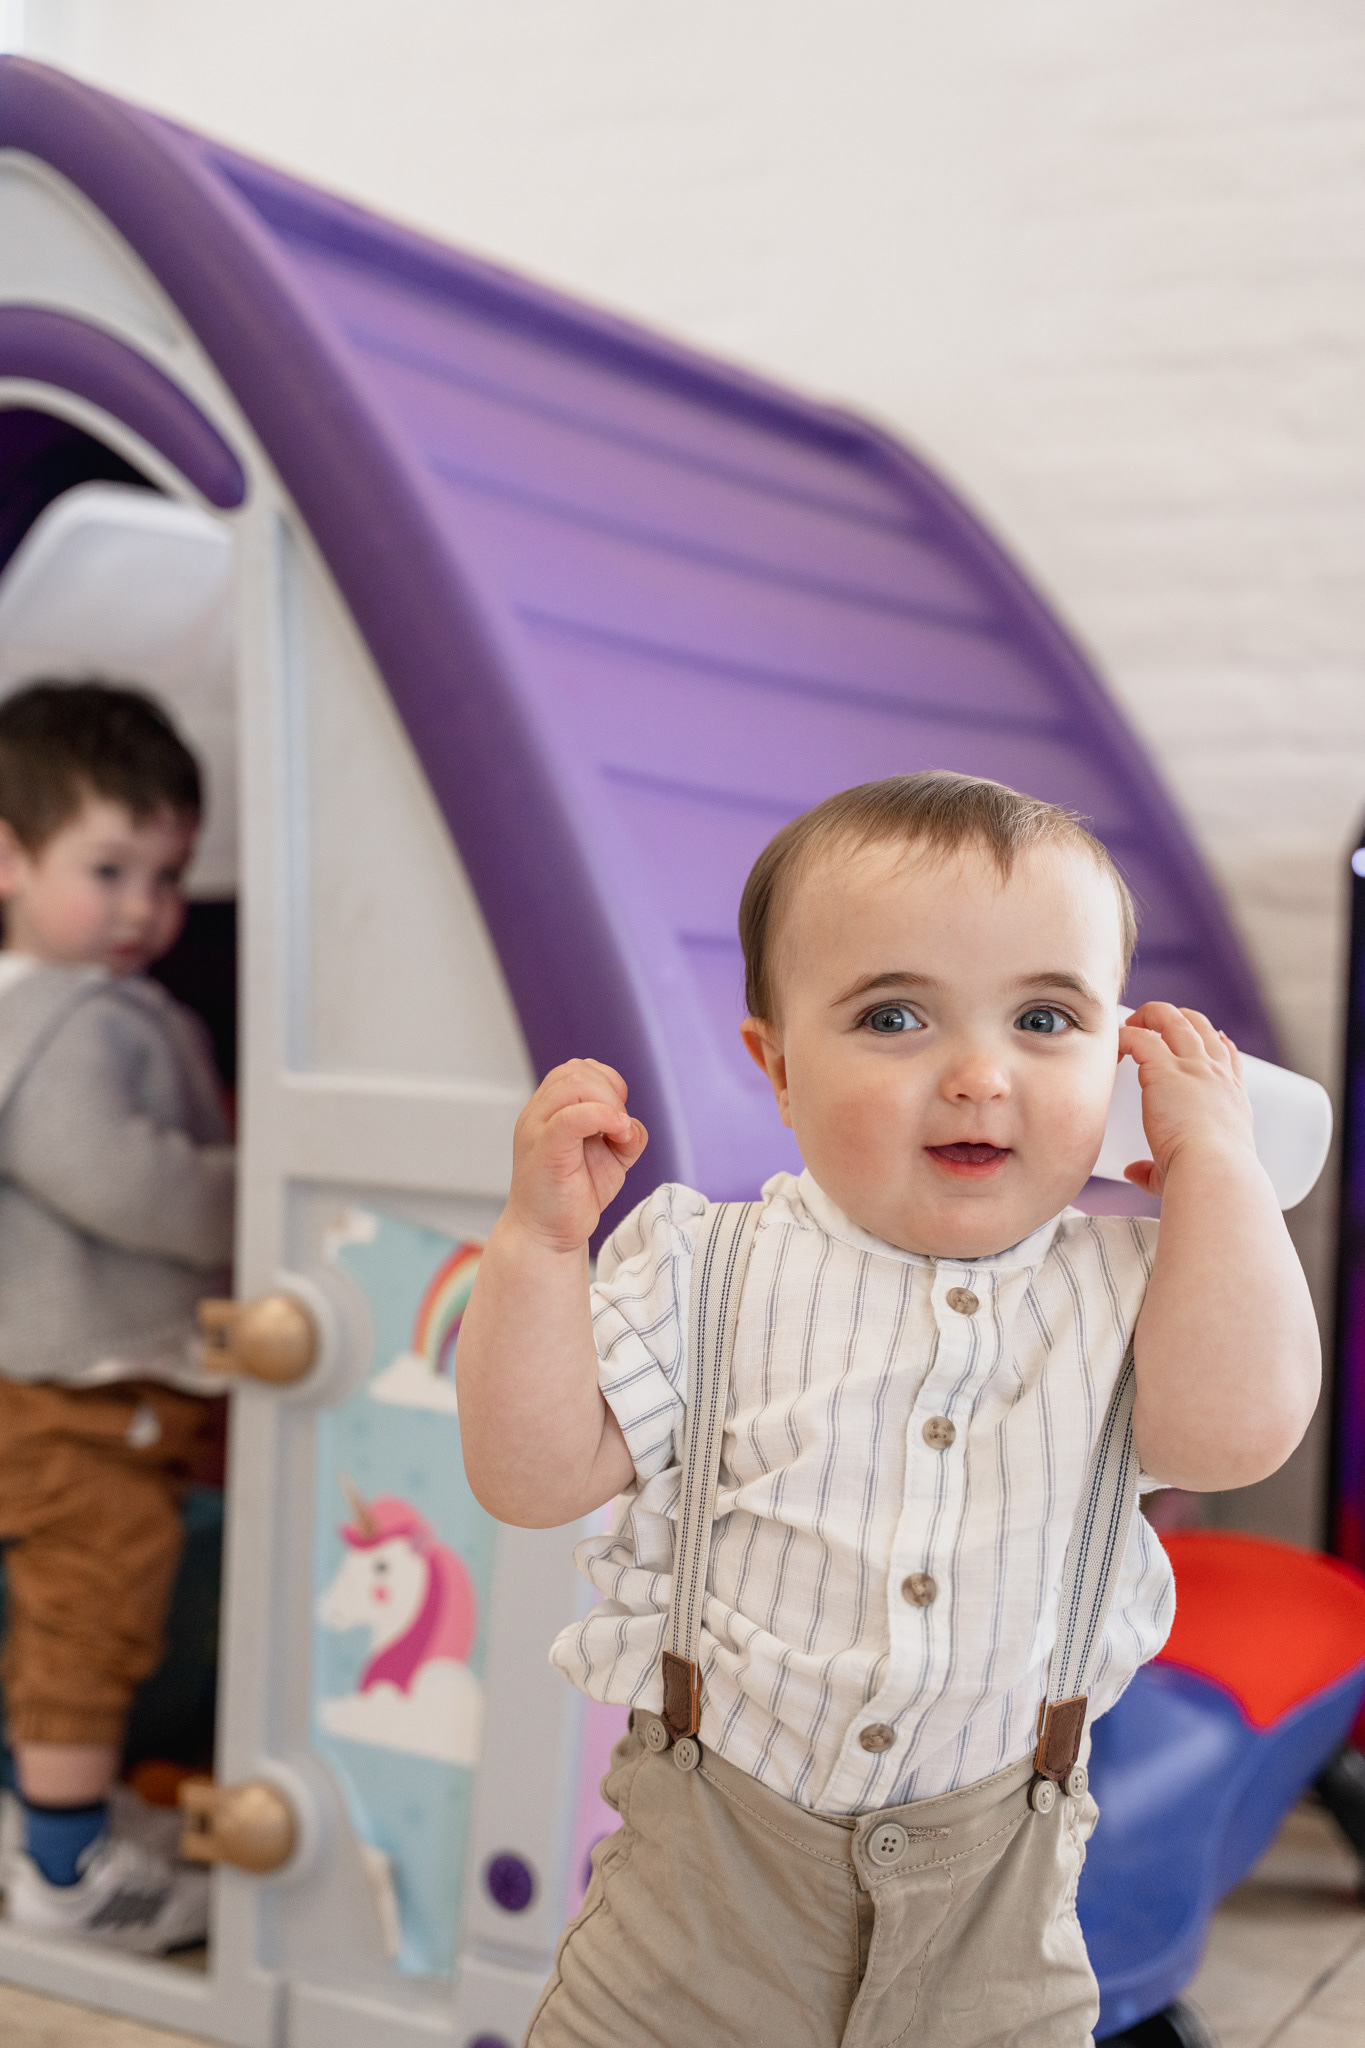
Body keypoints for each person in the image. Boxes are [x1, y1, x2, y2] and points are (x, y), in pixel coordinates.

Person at [457, 771, 1320, 2048]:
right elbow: (530, 1475)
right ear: (780, 1065)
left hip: (997, 1893)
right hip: (707, 1885)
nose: (979, 1074)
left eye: (1045, 1016)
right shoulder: (703, 1263)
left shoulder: (1139, 1285)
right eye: (897, 1014)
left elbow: (1235, 1431)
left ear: (1117, 1058)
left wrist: (1220, 1168)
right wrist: (539, 1245)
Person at [0, 680, 233, 1953]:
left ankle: (48, 1815)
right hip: (80, 1388)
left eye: (168, 872)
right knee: (92, 1606)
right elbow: (111, 1169)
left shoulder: (67, 997)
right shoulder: (65, 1014)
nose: (144, 906)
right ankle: (65, 1867)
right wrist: (260, 1197)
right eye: (109, 866)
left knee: (72, 1605)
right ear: (9, 855)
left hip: (73, 1376)